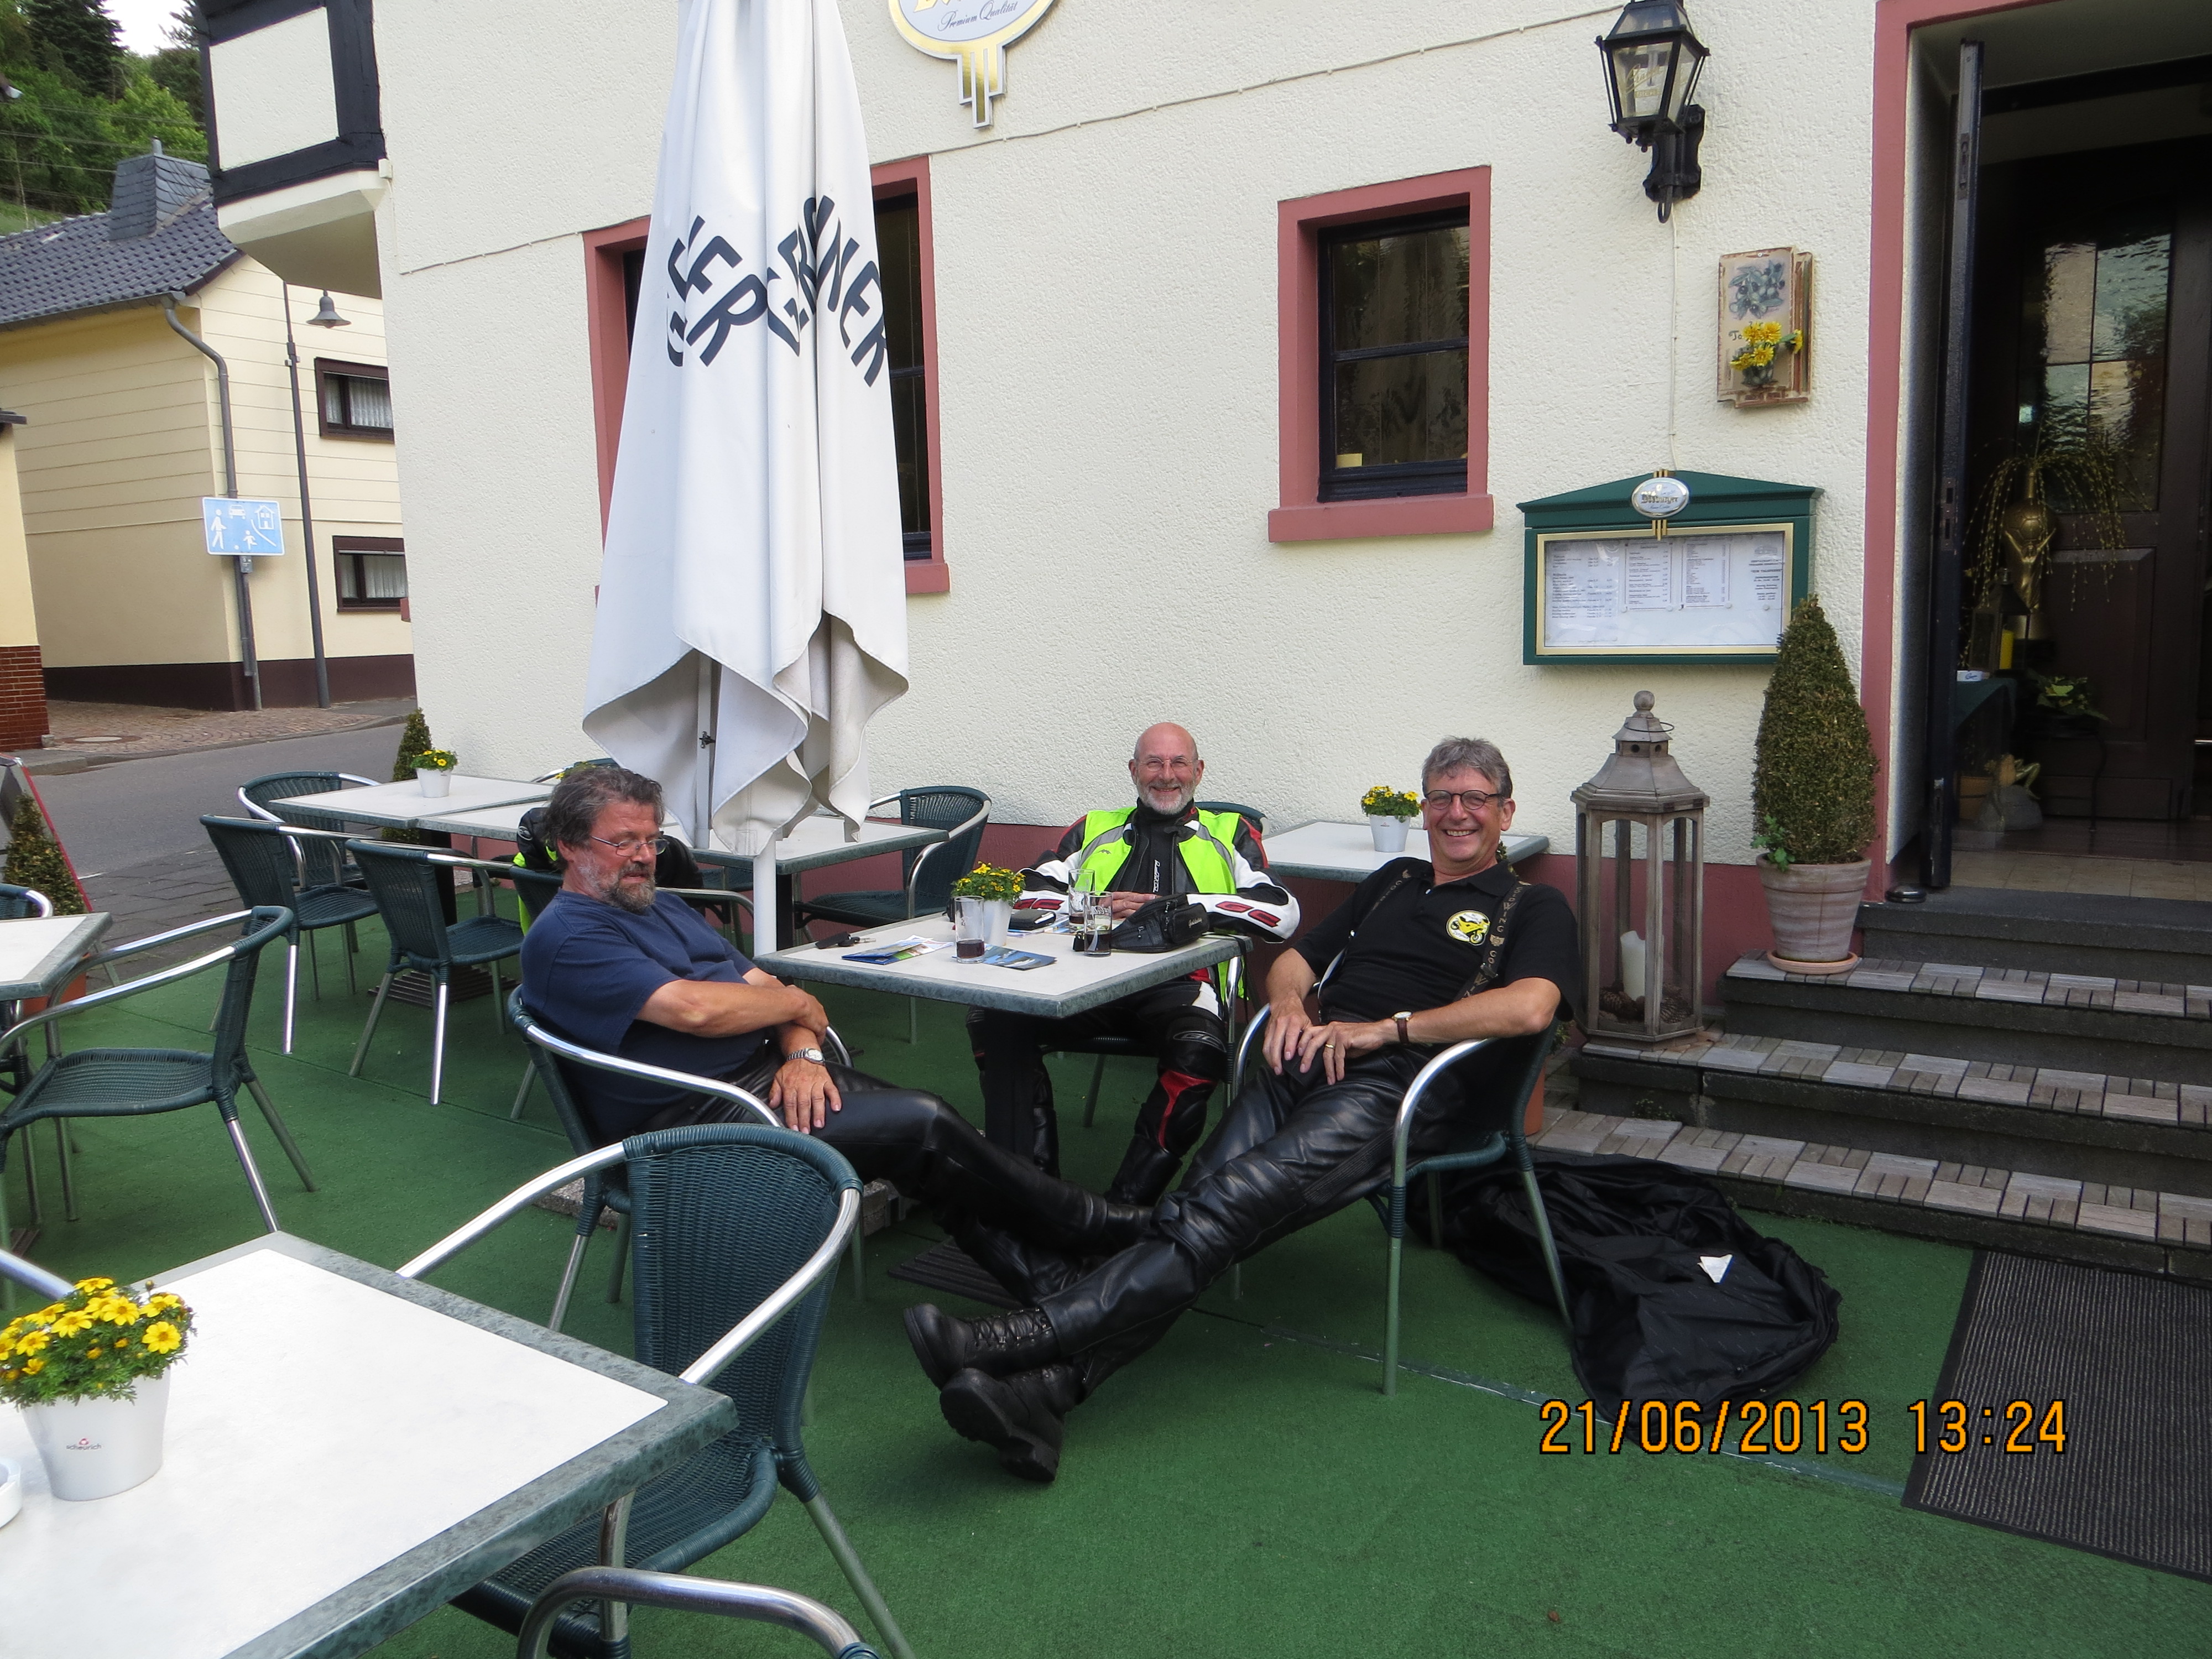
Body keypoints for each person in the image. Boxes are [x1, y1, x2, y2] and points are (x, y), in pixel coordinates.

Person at [906, 737, 1580, 1483]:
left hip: (1401, 1087)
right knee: (1203, 1206)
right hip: (1306, 1063)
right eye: (1442, 798)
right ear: (1423, 809)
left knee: (1215, 1210)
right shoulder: (1394, 880)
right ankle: (1047, 1395)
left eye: (1475, 799)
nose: (1456, 813)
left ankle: (1011, 1342)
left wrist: (1385, 1030)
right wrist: (1287, 1005)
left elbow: (1530, 1007)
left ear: (1504, 813)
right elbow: (1295, 957)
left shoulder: (1532, 904)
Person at [516, 766, 1150, 1267]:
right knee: (924, 1124)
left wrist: (801, 1051)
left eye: (652, 840)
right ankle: (1090, 1224)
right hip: (690, 1123)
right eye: (623, 842)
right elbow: (700, 1009)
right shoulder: (569, 936)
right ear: (569, 846)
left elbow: (767, 986)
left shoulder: (658, 906)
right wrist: (794, 1008)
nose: (644, 856)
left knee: (931, 1144)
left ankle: (1051, 1276)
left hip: (767, 1078)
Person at [968, 722, 1299, 1204]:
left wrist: (1180, 909)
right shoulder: (1094, 827)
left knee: (1199, 1051)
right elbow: (1022, 892)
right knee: (993, 1018)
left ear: (1198, 771)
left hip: (1184, 985)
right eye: (1153, 763)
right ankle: (1036, 1194)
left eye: (1179, 763)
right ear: (1133, 770)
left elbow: (1282, 913)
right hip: (1086, 976)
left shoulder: (1231, 832)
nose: (1166, 775)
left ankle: (1123, 1209)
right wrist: (1094, 907)